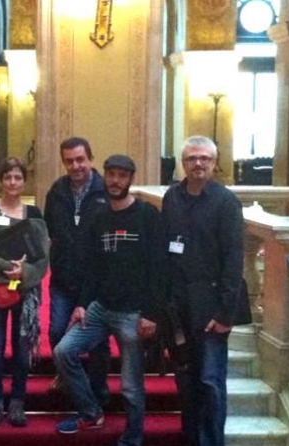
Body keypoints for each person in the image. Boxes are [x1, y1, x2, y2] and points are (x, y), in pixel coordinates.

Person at [54, 155, 165, 446]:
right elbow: (93, 267)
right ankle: (91, 413)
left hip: (133, 313)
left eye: (122, 176)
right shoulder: (98, 216)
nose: (115, 181)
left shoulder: (147, 215)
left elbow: (159, 267)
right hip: (100, 308)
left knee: (130, 386)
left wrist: (152, 313)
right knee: (63, 351)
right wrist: (82, 304)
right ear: (104, 176)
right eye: (111, 174)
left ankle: (133, 438)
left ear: (131, 179)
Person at [162, 136, 249, 446]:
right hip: (178, 304)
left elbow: (234, 260)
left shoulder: (226, 202)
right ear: (183, 163)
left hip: (211, 305)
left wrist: (225, 313)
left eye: (204, 158)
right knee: (185, 378)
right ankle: (191, 438)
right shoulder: (172, 198)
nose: (198, 163)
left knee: (210, 381)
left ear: (214, 162)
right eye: (191, 158)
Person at [0, 157, 49, 428]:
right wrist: (7, 269)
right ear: (1, 180)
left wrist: (23, 273)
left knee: (22, 349)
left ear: (24, 181)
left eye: (17, 177)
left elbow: (43, 257)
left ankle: (17, 402)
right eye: (8, 177)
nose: (12, 182)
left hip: (26, 293)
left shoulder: (34, 214)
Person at [43, 136, 110, 404]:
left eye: (80, 159)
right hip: (63, 279)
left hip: (97, 282)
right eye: (69, 161)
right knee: (57, 331)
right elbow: (50, 232)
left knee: (97, 340)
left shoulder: (106, 192)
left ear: (90, 159)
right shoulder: (57, 191)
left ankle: (98, 391)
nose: (75, 166)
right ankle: (69, 380)